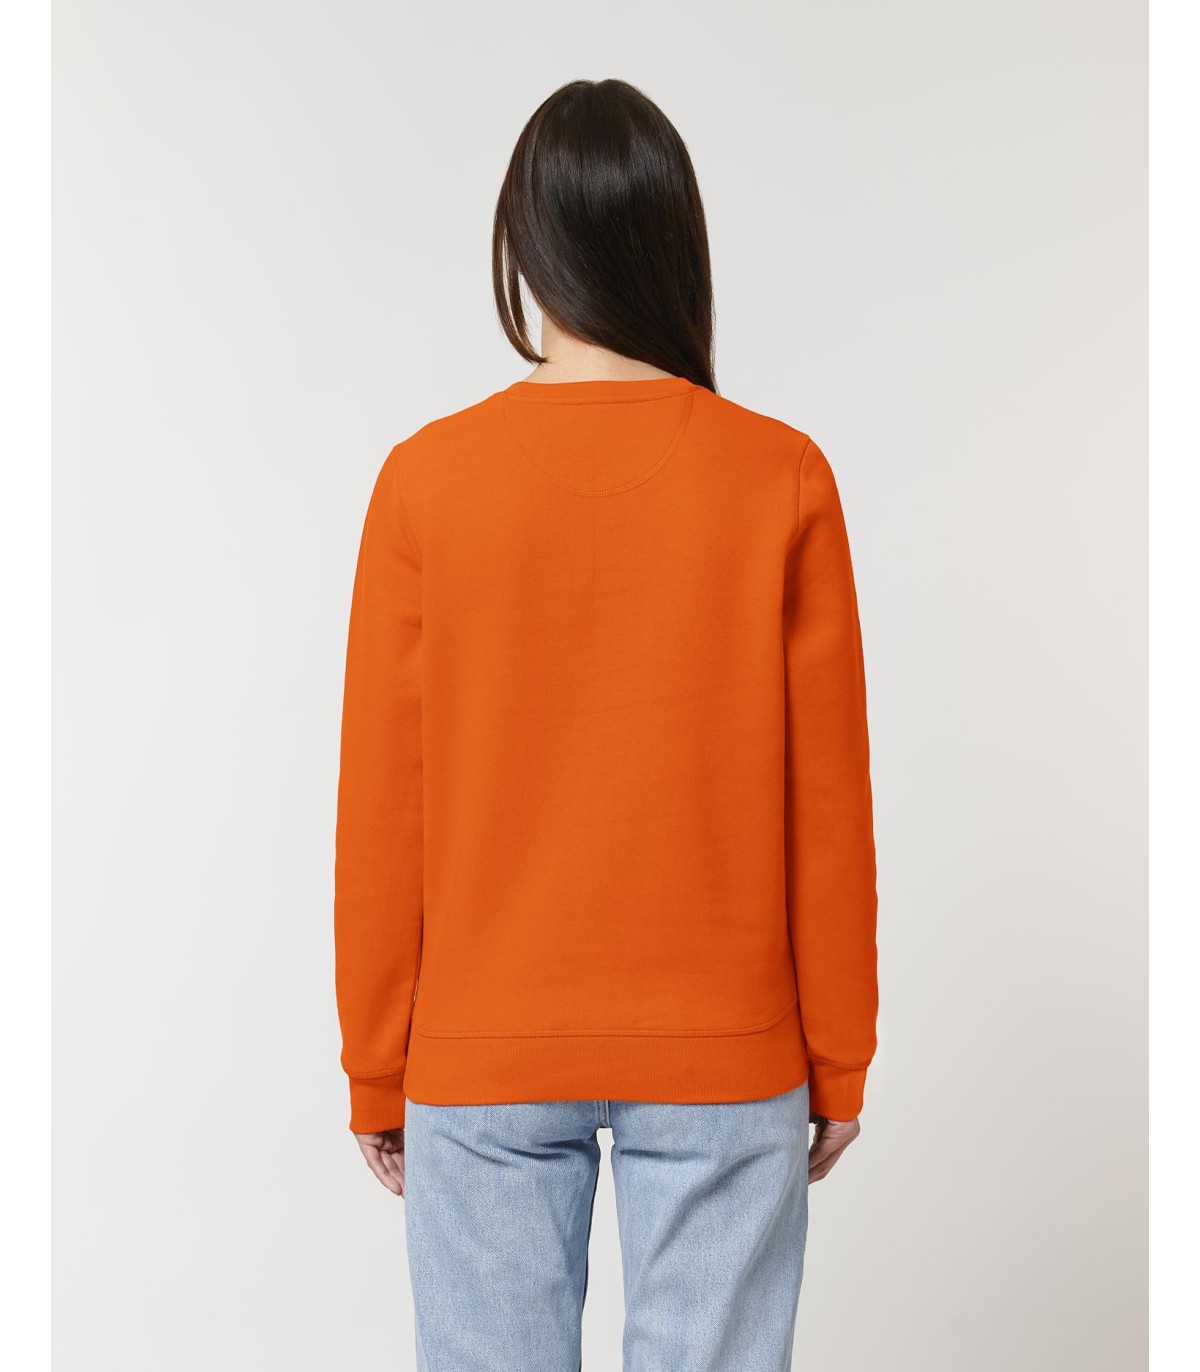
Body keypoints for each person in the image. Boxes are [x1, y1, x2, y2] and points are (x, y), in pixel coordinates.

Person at [333, 77, 879, 1372]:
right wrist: (837, 1052)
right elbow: (828, 802)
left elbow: (384, 804)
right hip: (726, 1047)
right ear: (674, 244)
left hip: (485, 1046)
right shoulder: (781, 476)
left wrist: (377, 1059)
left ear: (523, 249)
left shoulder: (425, 482)